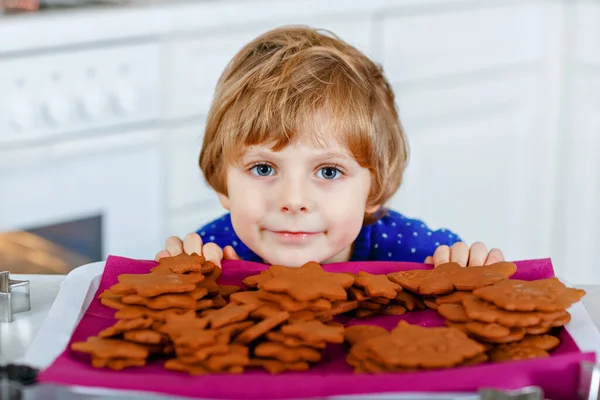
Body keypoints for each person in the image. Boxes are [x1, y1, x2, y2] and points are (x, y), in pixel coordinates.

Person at [155, 26, 505, 269]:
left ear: (374, 190)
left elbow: (467, 274)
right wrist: (177, 277)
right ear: (223, 183)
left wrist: (468, 267)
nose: (293, 201)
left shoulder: (416, 252)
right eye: (263, 168)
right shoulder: (211, 254)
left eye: (328, 171)